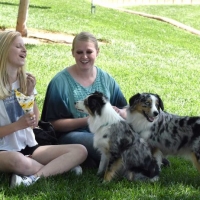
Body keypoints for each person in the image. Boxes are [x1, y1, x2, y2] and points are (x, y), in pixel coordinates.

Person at [0, 31, 88, 188]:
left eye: (25, 46)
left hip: (30, 147)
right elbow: (21, 124)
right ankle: (59, 169)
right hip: (4, 151)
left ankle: (33, 177)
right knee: (17, 160)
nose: (24, 50)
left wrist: (28, 95)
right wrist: (17, 125)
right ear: (4, 49)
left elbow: (33, 123)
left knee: (80, 150)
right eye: (18, 46)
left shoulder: (25, 82)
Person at [41, 31, 127, 168]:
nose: (84, 56)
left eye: (89, 52)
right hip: (71, 136)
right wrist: (88, 120)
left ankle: (91, 161)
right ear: (72, 53)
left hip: (105, 132)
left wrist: (121, 112)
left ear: (97, 52)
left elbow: (126, 109)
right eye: (79, 52)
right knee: (110, 146)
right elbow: (53, 124)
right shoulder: (60, 82)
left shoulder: (106, 79)